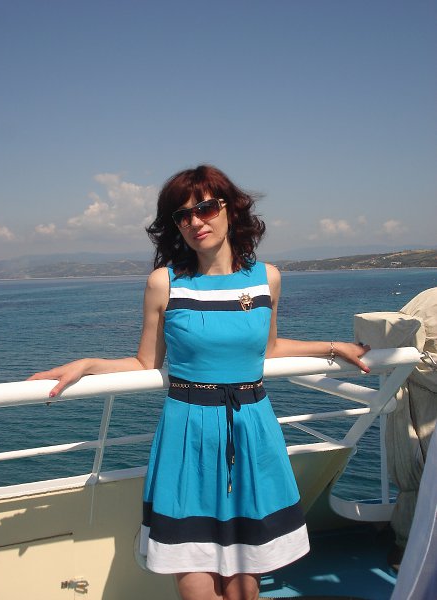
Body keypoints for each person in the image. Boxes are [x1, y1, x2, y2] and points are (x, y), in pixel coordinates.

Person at [29, 165, 370, 600]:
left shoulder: (266, 278)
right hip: (188, 434)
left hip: (251, 431)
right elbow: (145, 362)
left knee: (245, 587)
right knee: (195, 584)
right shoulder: (165, 283)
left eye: (205, 208)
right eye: (183, 215)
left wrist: (333, 347)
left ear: (230, 210)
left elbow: (268, 349)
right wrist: (87, 364)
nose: (195, 221)